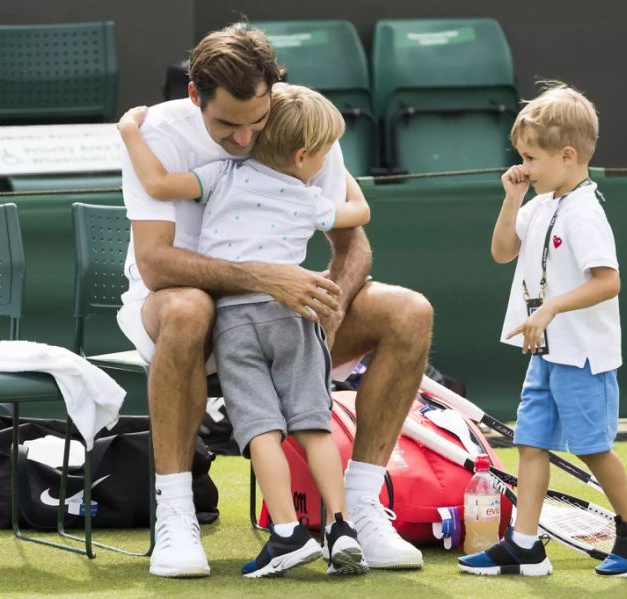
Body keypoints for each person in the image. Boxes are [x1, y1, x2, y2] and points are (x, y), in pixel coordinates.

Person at [117, 22, 431, 578]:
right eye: (226, 125)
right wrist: (261, 277)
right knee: (192, 306)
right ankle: (176, 512)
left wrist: (330, 308)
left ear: (274, 92)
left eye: (256, 122)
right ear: (195, 96)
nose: (244, 139)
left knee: (408, 310)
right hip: (176, 309)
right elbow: (156, 264)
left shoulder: (296, 121)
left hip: (284, 318)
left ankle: (357, 512)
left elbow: (353, 240)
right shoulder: (161, 132)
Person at [458, 82, 627, 577]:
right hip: (546, 355)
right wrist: (512, 198)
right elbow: (502, 251)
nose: (523, 166)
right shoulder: (540, 202)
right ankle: (525, 544)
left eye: (530, 158)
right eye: (521, 156)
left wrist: (550, 308)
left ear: (568, 155)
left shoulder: (584, 212)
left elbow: (608, 281)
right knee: (531, 444)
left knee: (593, 447)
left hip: (583, 357)